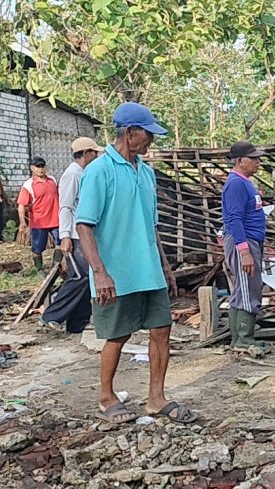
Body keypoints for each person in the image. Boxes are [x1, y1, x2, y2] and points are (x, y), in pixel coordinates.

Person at [76, 102, 196, 424]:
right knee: (117, 335)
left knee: (162, 329)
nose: (151, 141)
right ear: (130, 133)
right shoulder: (99, 172)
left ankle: (156, 398)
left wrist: (165, 266)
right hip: (115, 273)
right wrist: (100, 272)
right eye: (148, 134)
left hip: (149, 270)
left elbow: (151, 224)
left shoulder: (146, 172)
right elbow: (84, 224)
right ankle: (106, 396)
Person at [40, 137, 103, 334]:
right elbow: (65, 206)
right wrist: (65, 235)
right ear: (85, 154)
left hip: (84, 233)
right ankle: (52, 315)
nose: (96, 156)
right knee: (80, 275)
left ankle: (77, 323)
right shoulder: (72, 174)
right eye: (94, 153)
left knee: (87, 277)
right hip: (76, 234)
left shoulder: (84, 173)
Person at [222, 140, 270, 351]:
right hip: (244, 241)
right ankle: (244, 338)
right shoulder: (236, 184)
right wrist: (244, 251)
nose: (258, 162)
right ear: (240, 160)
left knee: (244, 288)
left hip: (251, 240)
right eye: (254, 158)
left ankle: (239, 338)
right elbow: (234, 219)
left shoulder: (244, 182)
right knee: (249, 289)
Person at [17, 157, 61, 274]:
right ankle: (39, 269)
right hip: (39, 222)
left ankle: (55, 267)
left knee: (60, 243)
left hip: (56, 219)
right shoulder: (28, 185)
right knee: (37, 248)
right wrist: (22, 222)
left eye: (42, 166)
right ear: (32, 168)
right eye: (38, 166)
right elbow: (21, 205)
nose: (41, 169)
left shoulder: (52, 180)